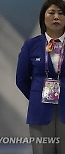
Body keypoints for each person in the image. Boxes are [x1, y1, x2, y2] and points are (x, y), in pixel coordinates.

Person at [16, 0, 65, 153]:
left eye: (61, 13)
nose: (56, 17)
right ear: (43, 17)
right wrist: (37, 95)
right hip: (40, 110)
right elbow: (21, 79)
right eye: (52, 12)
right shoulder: (31, 45)